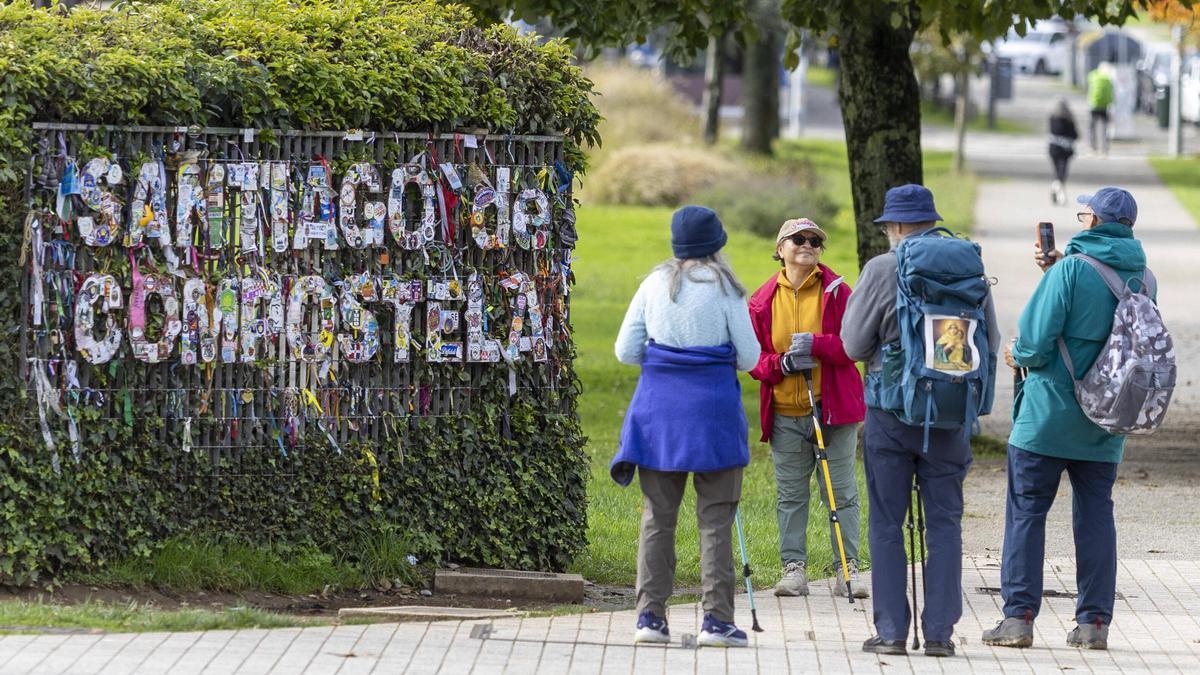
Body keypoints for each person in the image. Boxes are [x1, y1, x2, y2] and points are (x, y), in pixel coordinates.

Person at [982, 187, 1150, 651]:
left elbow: (1034, 343)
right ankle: (1094, 623)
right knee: (1096, 515)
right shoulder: (1142, 278)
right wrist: (1059, 267)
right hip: (1106, 420)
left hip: (1047, 419)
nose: (1081, 220)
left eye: (1085, 213)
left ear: (1094, 222)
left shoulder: (1072, 271)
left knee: (1027, 514)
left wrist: (1015, 353)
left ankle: (1018, 619)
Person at [841, 184, 1000, 658]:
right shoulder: (969, 262)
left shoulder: (882, 268)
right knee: (946, 524)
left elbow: (851, 345)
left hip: (891, 414)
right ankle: (940, 635)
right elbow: (989, 340)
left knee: (888, 523)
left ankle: (891, 631)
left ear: (895, 226)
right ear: (932, 220)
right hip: (950, 415)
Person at [612, 205, 761, 648]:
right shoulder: (728, 289)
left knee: (658, 517)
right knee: (715, 520)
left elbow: (625, 349)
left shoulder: (653, 284)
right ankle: (716, 622)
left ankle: (650, 619)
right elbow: (751, 358)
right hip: (713, 413)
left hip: (658, 413)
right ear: (717, 245)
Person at [746, 218, 866, 599]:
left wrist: (816, 344)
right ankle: (793, 569)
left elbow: (854, 345)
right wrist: (780, 365)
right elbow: (752, 358)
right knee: (791, 494)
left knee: (841, 491)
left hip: (833, 409)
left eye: (815, 240)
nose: (808, 244)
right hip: (786, 412)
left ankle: (847, 569)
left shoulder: (837, 291)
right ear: (780, 248)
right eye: (798, 239)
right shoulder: (762, 300)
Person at [1048, 98, 1078, 205]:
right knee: (1063, 171)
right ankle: (1059, 190)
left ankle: (1056, 187)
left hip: (1053, 148)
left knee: (1057, 171)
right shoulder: (1069, 120)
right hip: (1065, 150)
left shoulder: (1052, 118)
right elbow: (1075, 135)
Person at [1087, 63, 1115, 155]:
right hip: (1104, 107)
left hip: (1093, 105)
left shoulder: (1093, 77)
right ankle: (1104, 149)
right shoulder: (1108, 79)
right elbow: (1111, 95)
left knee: (1092, 128)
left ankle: (1092, 148)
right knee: (1104, 128)